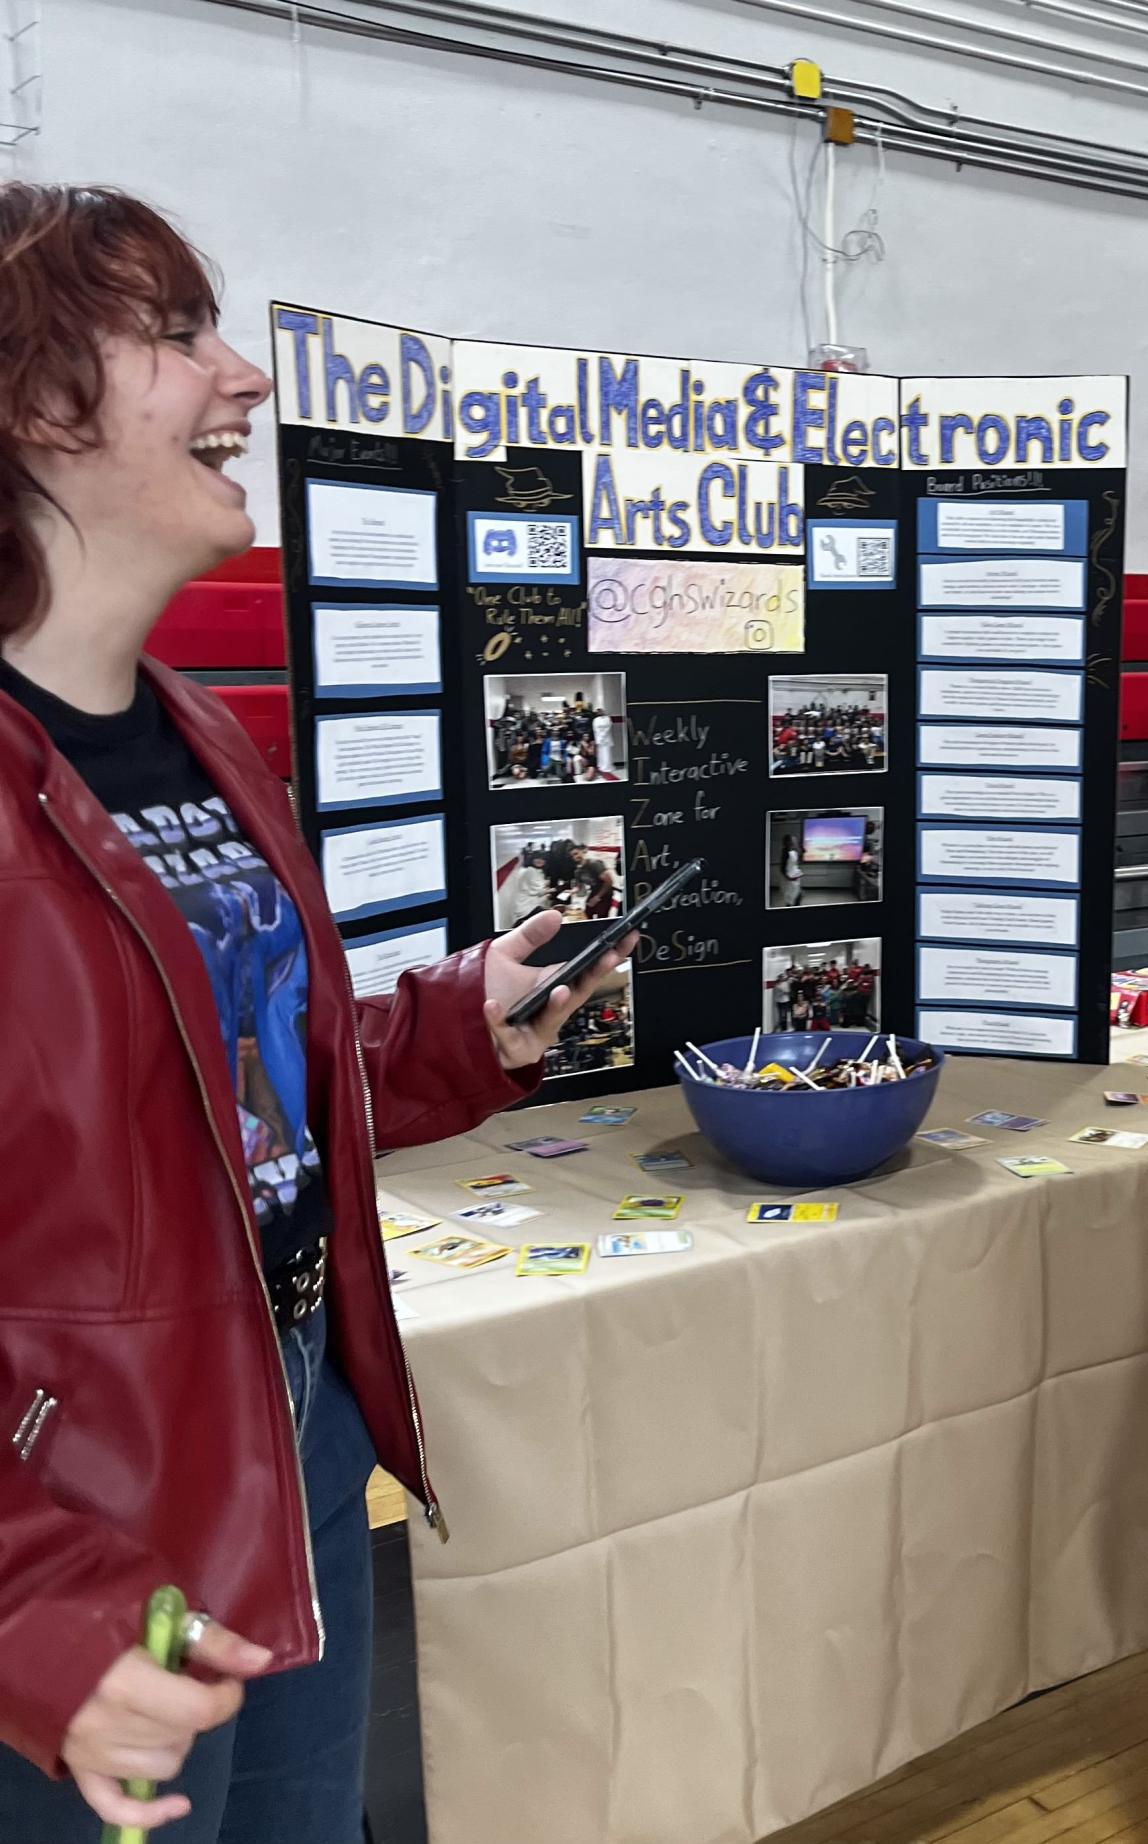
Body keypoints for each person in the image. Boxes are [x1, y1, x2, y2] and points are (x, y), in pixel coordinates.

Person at [0, 183, 636, 1842]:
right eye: (172, 332)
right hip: (76, 1517)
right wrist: (29, 1601)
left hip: (282, 1429)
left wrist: (451, 1026)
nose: (243, 375)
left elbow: (224, 1089)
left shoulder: (198, 734)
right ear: (32, 402)